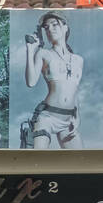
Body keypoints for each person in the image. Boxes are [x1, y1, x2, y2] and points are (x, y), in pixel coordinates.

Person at [23, 12, 84, 148]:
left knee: (81, 162)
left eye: (54, 25)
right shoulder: (44, 54)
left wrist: (77, 116)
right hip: (47, 117)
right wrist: (30, 50)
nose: (50, 29)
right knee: (38, 163)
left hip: (67, 119)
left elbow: (75, 90)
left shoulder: (78, 60)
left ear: (65, 27)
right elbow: (31, 82)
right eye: (46, 27)